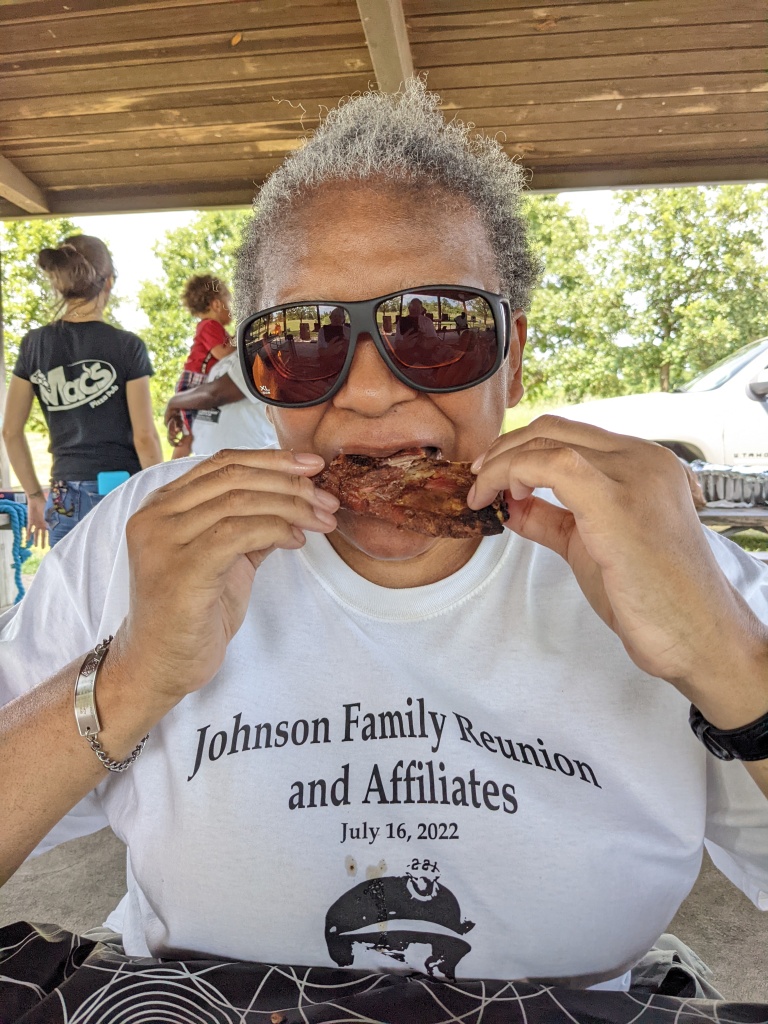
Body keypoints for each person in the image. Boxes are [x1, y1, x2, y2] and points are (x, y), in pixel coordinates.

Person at [1, 82, 767, 1001]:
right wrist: (132, 674)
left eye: (438, 330)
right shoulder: (150, 537)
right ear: (256, 373)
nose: (368, 393)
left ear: (513, 357)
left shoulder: (660, 555)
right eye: (303, 341)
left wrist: (725, 661)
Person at [1, 234, 163, 548]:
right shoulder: (127, 346)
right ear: (109, 282)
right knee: (121, 577)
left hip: (63, 494)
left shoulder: (34, 344)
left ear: (58, 281)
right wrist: (162, 497)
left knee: (70, 579)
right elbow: (145, 437)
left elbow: (10, 432)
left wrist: (34, 497)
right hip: (120, 489)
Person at [169, 274, 237, 459]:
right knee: (192, 434)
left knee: (196, 433)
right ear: (216, 304)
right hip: (194, 383)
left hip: (200, 383)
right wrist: (240, 337)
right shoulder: (209, 325)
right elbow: (222, 353)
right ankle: (173, 470)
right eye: (229, 303)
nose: (232, 309)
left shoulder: (214, 328)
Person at [163, 352, 278, 456]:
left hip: (246, 463)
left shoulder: (260, 355)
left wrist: (173, 403)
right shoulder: (222, 363)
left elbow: (213, 395)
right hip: (207, 461)